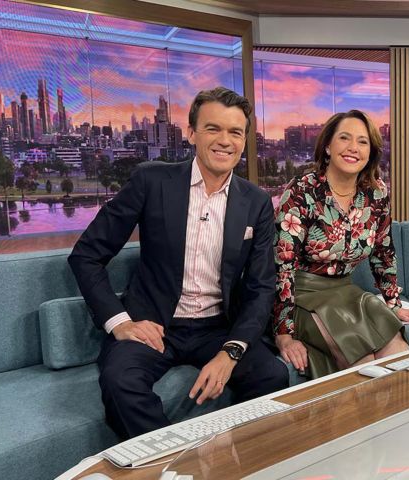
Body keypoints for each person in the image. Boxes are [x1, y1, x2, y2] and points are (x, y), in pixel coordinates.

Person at [68, 87, 288, 439]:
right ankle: (171, 468)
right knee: (120, 382)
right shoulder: (151, 181)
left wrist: (231, 352)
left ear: (245, 140)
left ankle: (238, 462)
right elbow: (86, 256)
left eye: (235, 132)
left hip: (217, 328)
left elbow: (261, 287)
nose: (224, 141)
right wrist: (120, 323)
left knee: (272, 376)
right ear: (192, 134)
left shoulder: (256, 202)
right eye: (212, 129)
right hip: (153, 323)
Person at [272, 109, 409, 379]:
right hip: (303, 297)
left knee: (400, 358)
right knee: (367, 366)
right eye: (345, 138)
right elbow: (282, 267)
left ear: (371, 152)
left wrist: (393, 303)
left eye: (363, 141)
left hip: (347, 292)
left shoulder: (376, 193)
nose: (353, 148)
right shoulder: (302, 190)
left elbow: (383, 253)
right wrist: (283, 333)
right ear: (328, 146)